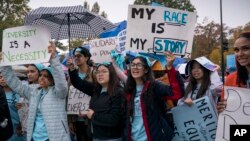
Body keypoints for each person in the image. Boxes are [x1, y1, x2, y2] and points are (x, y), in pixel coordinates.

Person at [0, 42, 70, 141]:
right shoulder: (34, 91)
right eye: (41, 75)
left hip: (54, 137)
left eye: (46, 76)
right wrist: (4, 64)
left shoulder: (59, 93)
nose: (42, 78)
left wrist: (53, 58)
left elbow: (60, 80)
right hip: (34, 137)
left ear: (53, 79)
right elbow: (14, 83)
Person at [123, 52, 182, 141]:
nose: (135, 67)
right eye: (133, 65)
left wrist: (170, 67)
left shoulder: (154, 86)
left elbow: (176, 93)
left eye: (139, 65)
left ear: (146, 69)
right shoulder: (128, 90)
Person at [68, 61, 124, 141]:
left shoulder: (118, 92)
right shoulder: (96, 89)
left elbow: (115, 119)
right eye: (98, 72)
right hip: (95, 136)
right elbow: (78, 83)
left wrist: (93, 115)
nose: (100, 74)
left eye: (104, 71)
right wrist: (72, 68)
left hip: (111, 138)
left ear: (111, 74)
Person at [217, 31, 250, 112]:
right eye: (236, 50)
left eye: (246, 48)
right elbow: (224, 111)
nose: (240, 54)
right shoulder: (230, 79)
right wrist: (222, 109)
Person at [67, 46, 94, 141]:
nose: (76, 58)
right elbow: (68, 98)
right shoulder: (71, 76)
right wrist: (70, 120)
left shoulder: (94, 73)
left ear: (86, 57)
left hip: (90, 119)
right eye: (75, 56)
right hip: (76, 119)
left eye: (79, 55)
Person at [0, 73, 24, 141]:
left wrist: (21, 125)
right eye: (0, 77)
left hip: (17, 128)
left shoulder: (19, 94)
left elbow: (23, 112)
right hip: (3, 128)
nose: (2, 79)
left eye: (5, 77)